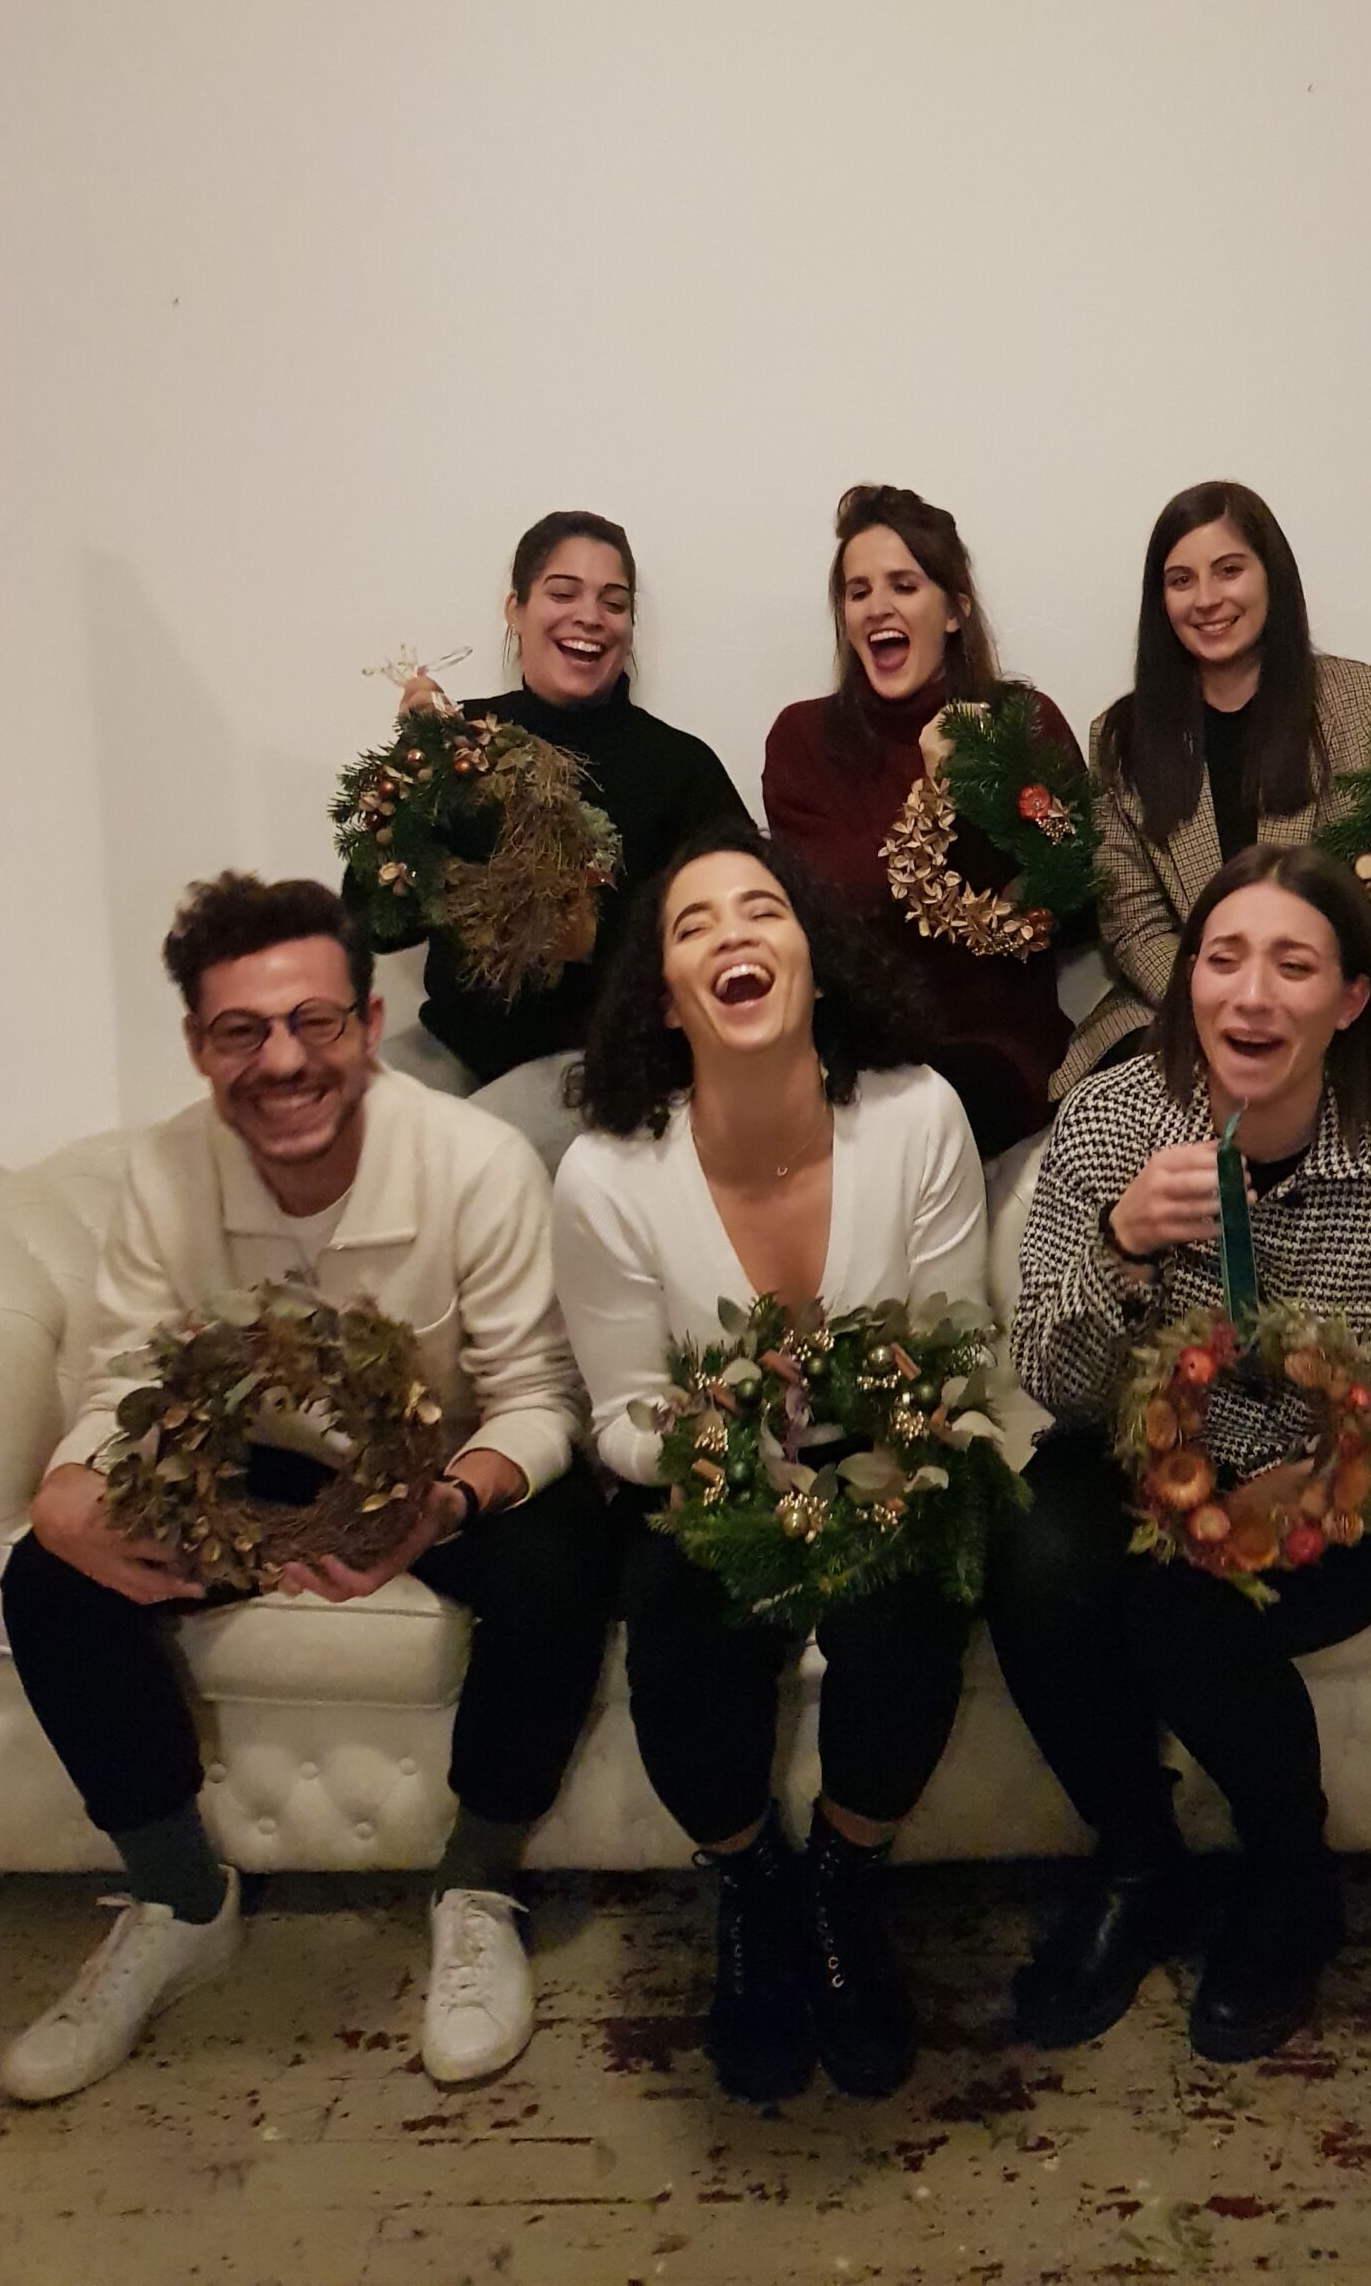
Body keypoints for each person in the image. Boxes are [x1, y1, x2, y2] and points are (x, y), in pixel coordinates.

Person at [0, 876, 614, 2103]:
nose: (282, 1059)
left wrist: (447, 1504)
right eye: (241, 1029)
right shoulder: (167, 1170)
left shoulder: (475, 1163)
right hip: (246, 1459)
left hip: (441, 1458)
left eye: (313, 1021)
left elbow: (539, 1396)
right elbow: (127, 1372)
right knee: (46, 1578)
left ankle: (477, 1885)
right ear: (198, 1044)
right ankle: (179, 1899)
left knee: (561, 1562)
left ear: (368, 1026)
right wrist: (69, 1487)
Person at [990, 844, 1371, 2060]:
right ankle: (1138, 1862)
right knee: (1030, 1552)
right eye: (1223, 958)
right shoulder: (1112, 1124)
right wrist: (1119, 1247)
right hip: (1137, 1458)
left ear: (1352, 998)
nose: (1252, 994)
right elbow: (1051, 1379)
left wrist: (1334, 1483)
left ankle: (1290, 1880)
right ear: (1189, 983)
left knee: (1184, 1599)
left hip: (1340, 1497)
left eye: (1293, 965)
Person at [551, 825, 989, 2102]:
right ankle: (750, 1882)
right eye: (692, 926)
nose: (733, 935)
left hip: (890, 1455)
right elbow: (620, 1421)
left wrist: (887, 1447)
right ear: (664, 997)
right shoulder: (605, 1174)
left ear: (813, 957)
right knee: (678, 1608)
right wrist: (724, 1440)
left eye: (763, 910)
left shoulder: (917, 1113)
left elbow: (957, 1350)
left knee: (918, 1591)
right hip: (703, 1475)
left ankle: (843, 1880)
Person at [1054, 480, 1371, 1129]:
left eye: (1229, 570)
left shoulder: (1361, 701)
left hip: (1339, 1015)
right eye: (1181, 580)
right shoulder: (1122, 737)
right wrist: (1227, 1005)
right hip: (1183, 1007)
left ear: (1272, 577)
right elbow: (1135, 925)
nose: (1206, 599)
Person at [372, 508, 749, 1164]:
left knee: (452, 1161)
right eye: (563, 593)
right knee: (348, 1123)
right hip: (453, 1046)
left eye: (614, 602)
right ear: (515, 610)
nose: (590, 617)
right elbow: (376, 923)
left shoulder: (679, 767)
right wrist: (411, 786)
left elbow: (737, 927)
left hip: (594, 1061)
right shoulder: (464, 745)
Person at [763, 483, 1087, 1159]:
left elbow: (1076, 894)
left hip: (995, 1045)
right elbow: (822, 897)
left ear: (955, 611)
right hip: (855, 1042)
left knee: (926, 1114)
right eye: (858, 591)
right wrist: (935, 791)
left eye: (904, 586)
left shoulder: (1021, 723)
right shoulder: (801, 739)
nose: (877, 606)